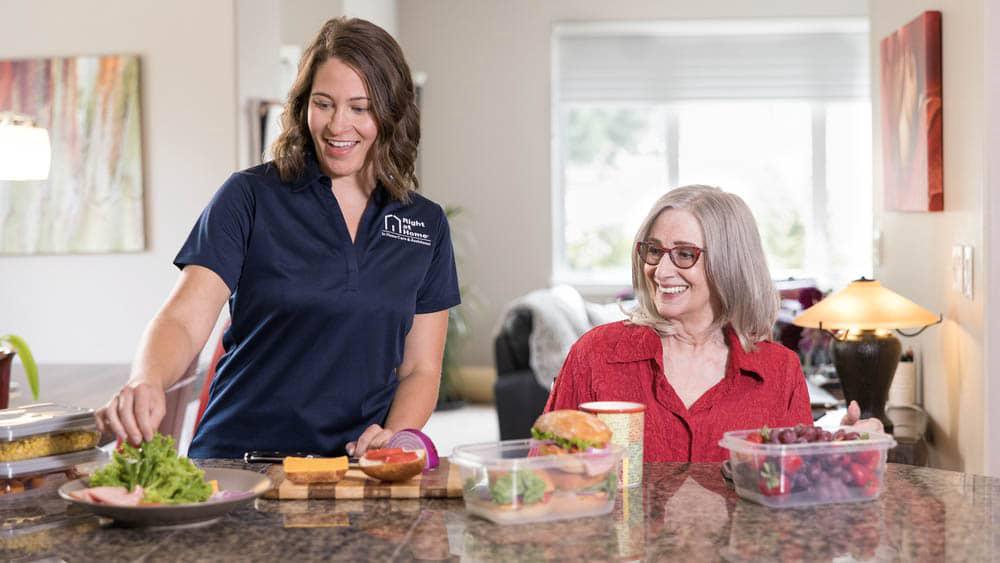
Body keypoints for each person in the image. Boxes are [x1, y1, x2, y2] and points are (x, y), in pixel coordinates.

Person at [96, 17, 460, 459]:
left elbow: (421, 368)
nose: (337, 125)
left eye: (360, 108)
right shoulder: (249, 196)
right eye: (323, 104)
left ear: (391, 112)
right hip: (239, 463)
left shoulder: (425, 224)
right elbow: (184, 320)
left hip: (352, 470)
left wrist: (392, 437)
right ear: (304, 104)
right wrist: (147, 379)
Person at [544, 185, 879, 462]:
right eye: (654, 251)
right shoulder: (595, 354)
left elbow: (794, 489)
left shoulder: (780, 371)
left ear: (730, 264)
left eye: (684, 254)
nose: (661, 271)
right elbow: (544, 473)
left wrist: (839, 453)